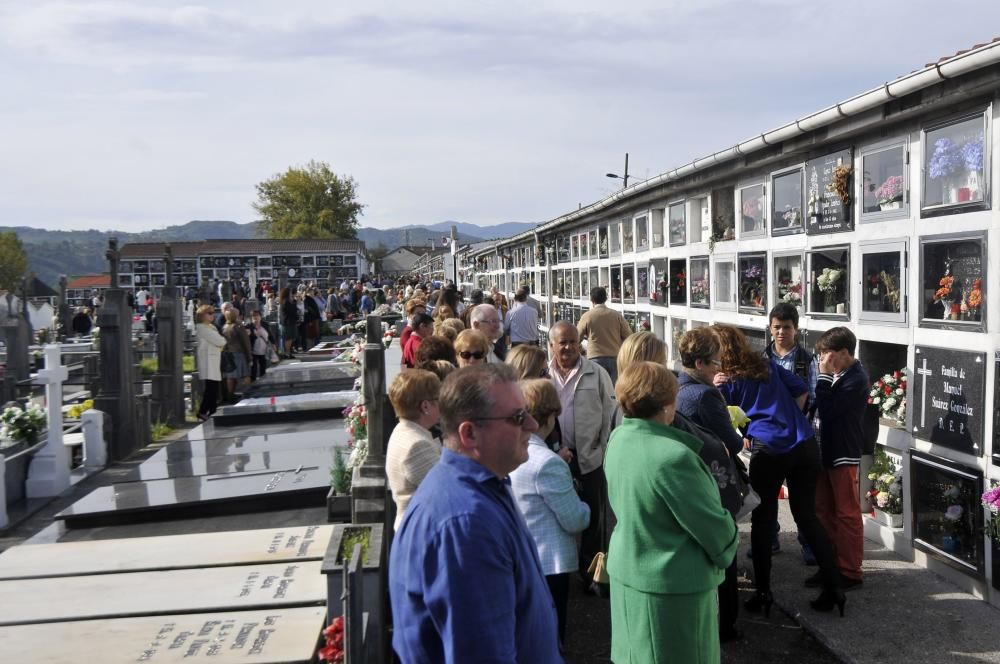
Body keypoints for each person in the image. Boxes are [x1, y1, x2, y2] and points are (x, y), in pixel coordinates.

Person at [388, 364, 562, 663]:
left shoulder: (484, 486)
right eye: (518, 417)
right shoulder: (465, 525)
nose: (533, 425)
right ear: (469, 434)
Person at [605, 361, 738, 664]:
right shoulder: (673, 457)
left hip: (630, 576)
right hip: (671, 589)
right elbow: (714, 529)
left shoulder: (619, 438)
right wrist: (729, 537)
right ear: (667, 404)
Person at [712, 324, 845, 617]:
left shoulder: (724, 380)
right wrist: (788, 418)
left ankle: (762, 594)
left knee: (763, 520)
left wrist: (751, 426)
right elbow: (800, 391)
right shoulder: (765, 364)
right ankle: (835, 586)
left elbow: (722, 419)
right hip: (804, 442)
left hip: (770, 448)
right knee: (807, 517)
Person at [674, 327, 748, 642]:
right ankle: (725, 624)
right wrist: (736, 430)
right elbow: (733, 441)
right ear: (701, 362)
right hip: (712, 478)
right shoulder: (704, 394)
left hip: (688, 479)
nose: (720, 367)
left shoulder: (676, 385)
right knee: (723, 548)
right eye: (716, 361)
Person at [510, 378, 590, 646]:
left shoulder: (509, 453)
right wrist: (585, 506)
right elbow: (574, 520)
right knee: (550, 639)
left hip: (518, 559)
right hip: (549, 564)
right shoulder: (548, 463)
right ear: (549, 415)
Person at [547, 320, 615, 573]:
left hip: (588, 456)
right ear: (552, 345)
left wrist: (603, 450)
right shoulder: (544, 375)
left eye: (573, 341)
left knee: (595, 519)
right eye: (562, 342)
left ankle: (592, 573)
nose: (568, 347)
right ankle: (561, 568)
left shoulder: (596, 373)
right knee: (556, 516)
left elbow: (610, 413)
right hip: (554, 456)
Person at [810, 327, 868, 591]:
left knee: (847, 513)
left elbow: (829, 409)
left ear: (844, 353)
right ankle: (829, 564)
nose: (822, 360)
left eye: (827, 354)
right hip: (823, 452)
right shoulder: (837, 373)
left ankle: (850, 570)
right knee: (823, 510)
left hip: (842, 453)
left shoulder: (856, 379)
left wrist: (821, 377)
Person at [764, 302, 819, 562]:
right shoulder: (761, 359)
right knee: (766, 493)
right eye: (777, 327)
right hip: (768, 434)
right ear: (770, 328)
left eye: (787, 327)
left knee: (801, 495)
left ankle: (808, 543)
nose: (781, 332)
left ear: (796, 329)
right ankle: (769, 538)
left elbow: (813, 396)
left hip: (796, 435)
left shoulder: (807, 361)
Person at [386, 370, 443, 531]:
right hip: (421, 531)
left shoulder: (404, 430)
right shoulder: (417, 445)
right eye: (439, 399)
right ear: (425, 406)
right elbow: (445, 491)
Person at [577, 286, 632, 384]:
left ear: (592, 300)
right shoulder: (616, 315)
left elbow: (576, 338)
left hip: (595, 358)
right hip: (615, 358)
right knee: (613, 391)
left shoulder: (587, 316)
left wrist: (582, 350)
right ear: (606, 299)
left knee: (597, 390)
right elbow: (629, 336)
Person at [195, 304, 226, 421]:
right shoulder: (203, 328)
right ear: (202, 315)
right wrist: (220, 344)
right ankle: (203, 411)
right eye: (209, 313)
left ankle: (212, 410)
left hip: (212, 359)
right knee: (211, 388)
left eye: (213, 313)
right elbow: (221, 341)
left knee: (213, 387)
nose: (212, 315)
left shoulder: (209, 327)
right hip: (208, 360)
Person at [222, 307, 252, 398]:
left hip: (229, 354)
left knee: (230, 377)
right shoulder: (239, 326)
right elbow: (246, 342)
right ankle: (248, 393)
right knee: (245, 375)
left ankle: (230, 394)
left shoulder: (224, 327)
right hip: (239, 354)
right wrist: (249, 357)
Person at [248, 309, 274, 380]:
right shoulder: (249, 326)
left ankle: (263, 380)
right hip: (253, 350)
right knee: (254, 368)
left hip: (263, 349)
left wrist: (273, 344)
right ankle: (253, 383)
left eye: (257, 316)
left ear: (260, 317)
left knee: (263, 367)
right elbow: (248, 339)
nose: (256, 318)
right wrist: (255, 335)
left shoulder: (265, 324)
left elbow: (270, 335)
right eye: (254, 316)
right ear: (251, 318)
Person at [279, 287, 298, 358]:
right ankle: (287, 353)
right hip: (288, 322)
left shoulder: (287, 301)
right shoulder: (286, 301)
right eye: (290, 293)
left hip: (290, 322)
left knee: (290, 338)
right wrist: (294, 303)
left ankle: (288, 352)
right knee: (288, 338)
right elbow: (291, 311)